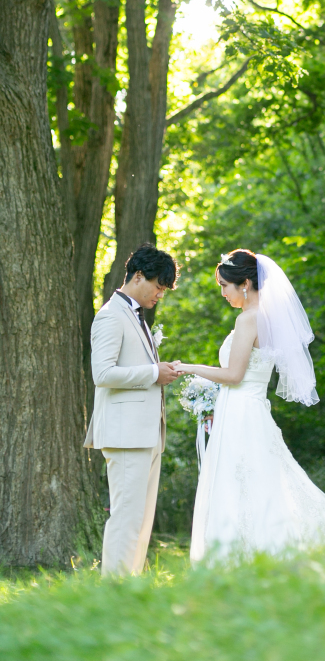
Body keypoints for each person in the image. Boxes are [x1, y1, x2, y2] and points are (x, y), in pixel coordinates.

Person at [177, 249, 325, 562]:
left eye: (225, 285)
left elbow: (234, 375)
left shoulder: (248, 319)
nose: (222, 293)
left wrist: (187, 367)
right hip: (246, 408)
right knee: (260, 480)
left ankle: (245, 555)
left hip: (241, 411)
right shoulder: (266, 317)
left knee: (243, 481)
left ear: (245, 284)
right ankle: (252, 552)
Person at [85, 244, 181, 576]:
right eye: (158, 287)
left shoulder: (136, 316)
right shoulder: (111, 315)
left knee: (140, 517)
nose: (160, 295)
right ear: (138, 276)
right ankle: (114, 591)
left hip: (146, 433)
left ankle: (131, 586)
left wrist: (158, 370)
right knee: (126, 515)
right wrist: (155, 374)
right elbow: (103, 374)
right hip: (126, 435)